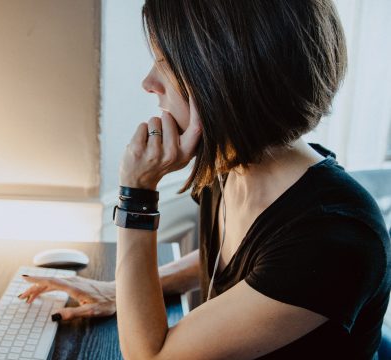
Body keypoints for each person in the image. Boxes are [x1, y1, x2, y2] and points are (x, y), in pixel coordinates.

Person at [20, 0, 391, 358]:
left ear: (227, 76)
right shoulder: (230, 167)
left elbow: (150, 357)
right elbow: (255, 265)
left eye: (166, 63)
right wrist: (117, 291)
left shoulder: (333, 238)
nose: (149, 82)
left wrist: (137, 192)